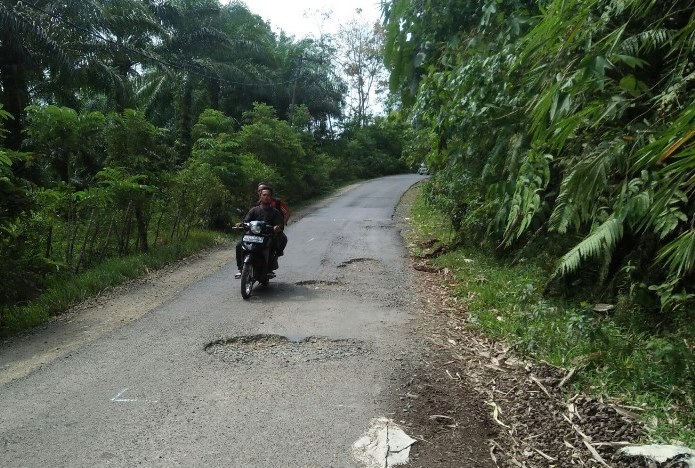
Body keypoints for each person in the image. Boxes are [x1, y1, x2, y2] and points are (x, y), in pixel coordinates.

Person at [235, 187, 284, 279]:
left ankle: (269, 269)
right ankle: (240, 268)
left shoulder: (275, 212)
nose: (266, 197)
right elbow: (246, 221)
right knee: (239, 245)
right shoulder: (254, 210)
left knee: (272, 247)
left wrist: (277, 227)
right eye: (264, 195)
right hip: (252, 236)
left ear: (271, 197)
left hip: (267, 236)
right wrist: (241, 224)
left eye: (268, 195)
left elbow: (280, 224)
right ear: (260, 197)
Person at [255, 183, 289, 256]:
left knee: (283, 239)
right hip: (260, 229)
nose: (260, 192)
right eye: (259, 191)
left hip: (273, 228)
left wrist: (281, 225)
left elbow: (287, 213)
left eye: (263, 190)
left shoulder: (277, 202)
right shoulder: (257, 205)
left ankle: (276, 254)